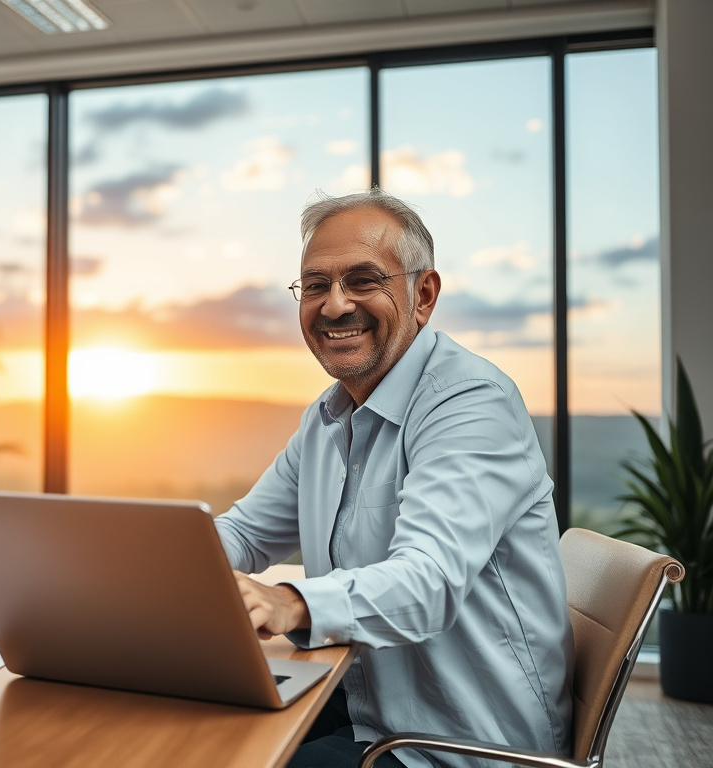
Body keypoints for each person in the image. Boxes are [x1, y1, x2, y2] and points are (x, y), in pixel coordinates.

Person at [215, 189, 573, 768]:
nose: (334, 306)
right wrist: (149, 572)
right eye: (315, 285)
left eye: (363, 280)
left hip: (455, 744)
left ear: (422, 295)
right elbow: (246, 534)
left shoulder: (470, 401)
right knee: (183, 725)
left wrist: (288, 602)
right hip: (368, 703)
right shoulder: (327, 417)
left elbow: (427, 582)